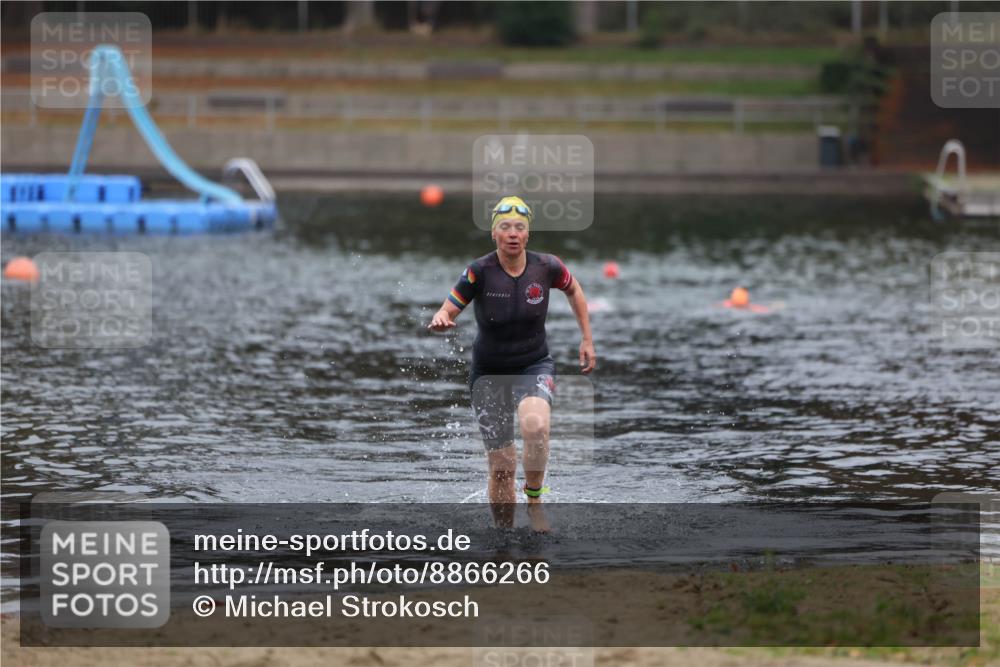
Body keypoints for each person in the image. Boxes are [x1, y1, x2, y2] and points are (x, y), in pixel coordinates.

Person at [428, 196, 596, 532]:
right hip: (488, 374)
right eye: (505, 227)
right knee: (502, 466)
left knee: (536, 426)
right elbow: (448, 307)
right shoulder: (479, 272)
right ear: (494, 233)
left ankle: (534, 501)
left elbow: (574, 290)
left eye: (520, 227)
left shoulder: (547, 267)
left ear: (528, 234)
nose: (513, 233)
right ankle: (503, 541)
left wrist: (587, 339)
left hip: (534, 364)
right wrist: (442, 318)